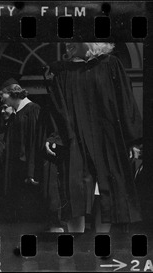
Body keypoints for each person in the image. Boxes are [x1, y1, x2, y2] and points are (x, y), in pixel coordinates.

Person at [44, 43, 143, 232]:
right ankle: (76, 242)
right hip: (74, 139)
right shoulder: (63, 71)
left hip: (108, 138)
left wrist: (133, 140)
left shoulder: (111, 64)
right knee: (76, 194)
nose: (68, 42)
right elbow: (57, 109)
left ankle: (100, 244)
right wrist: (55, 136)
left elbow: (126, 100)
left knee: (106, 194)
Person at [0, 73, 41, 223]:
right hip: (15, 174)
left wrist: (31, 172)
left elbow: (33, 143)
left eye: (2, 96)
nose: (1, 100)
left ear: (11, 92)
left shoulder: (32, 110)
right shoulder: (16, 115)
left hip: (25, 174)